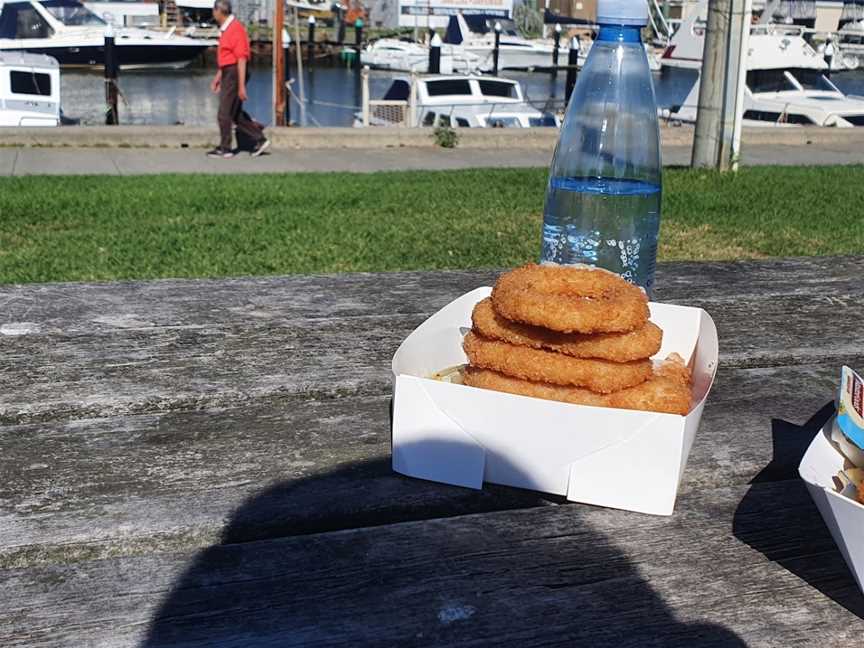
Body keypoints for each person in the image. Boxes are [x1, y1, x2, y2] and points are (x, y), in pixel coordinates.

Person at [207, 0, 269, 159]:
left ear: (219, 11)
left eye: (214, 11)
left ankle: (225, 148)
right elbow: (227, 58)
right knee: (235, 114)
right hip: (228, 71)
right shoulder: (227, 29)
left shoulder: (235, 29)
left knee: (224, 113)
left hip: (235, 73)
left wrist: (241, 86)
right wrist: (218, 77)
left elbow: (241, 59)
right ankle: (259, 138)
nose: (213, 14)